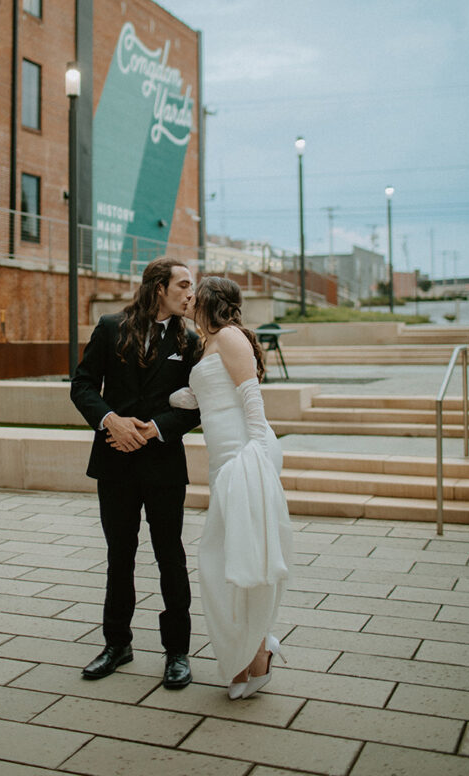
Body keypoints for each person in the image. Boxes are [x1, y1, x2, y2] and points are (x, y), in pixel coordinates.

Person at [70, 257, 201, 689]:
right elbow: (83, 384)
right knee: (119, 555)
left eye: (191, 286)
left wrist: (157, 428)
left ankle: (177, 653)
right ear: (158, 288)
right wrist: (111, 420)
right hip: (115, 460)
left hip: (163, 464)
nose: (190, 293)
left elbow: (199, 404)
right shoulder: (110, 327)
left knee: (171, 557)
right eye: (182, 285)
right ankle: (117, 644)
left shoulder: (191, 339)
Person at [169, 276, 292, 699]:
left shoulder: (231, 336)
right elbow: (209, 393)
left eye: (194, 291)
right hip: (224, 461)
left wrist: (256, 452)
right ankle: (250, 652)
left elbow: (249, 396)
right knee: (224, 561)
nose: (188, 297)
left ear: (209, 300)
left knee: (243, 561)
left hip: (245, 454)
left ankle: (256, 655)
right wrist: (179, 398)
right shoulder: (207, 344)